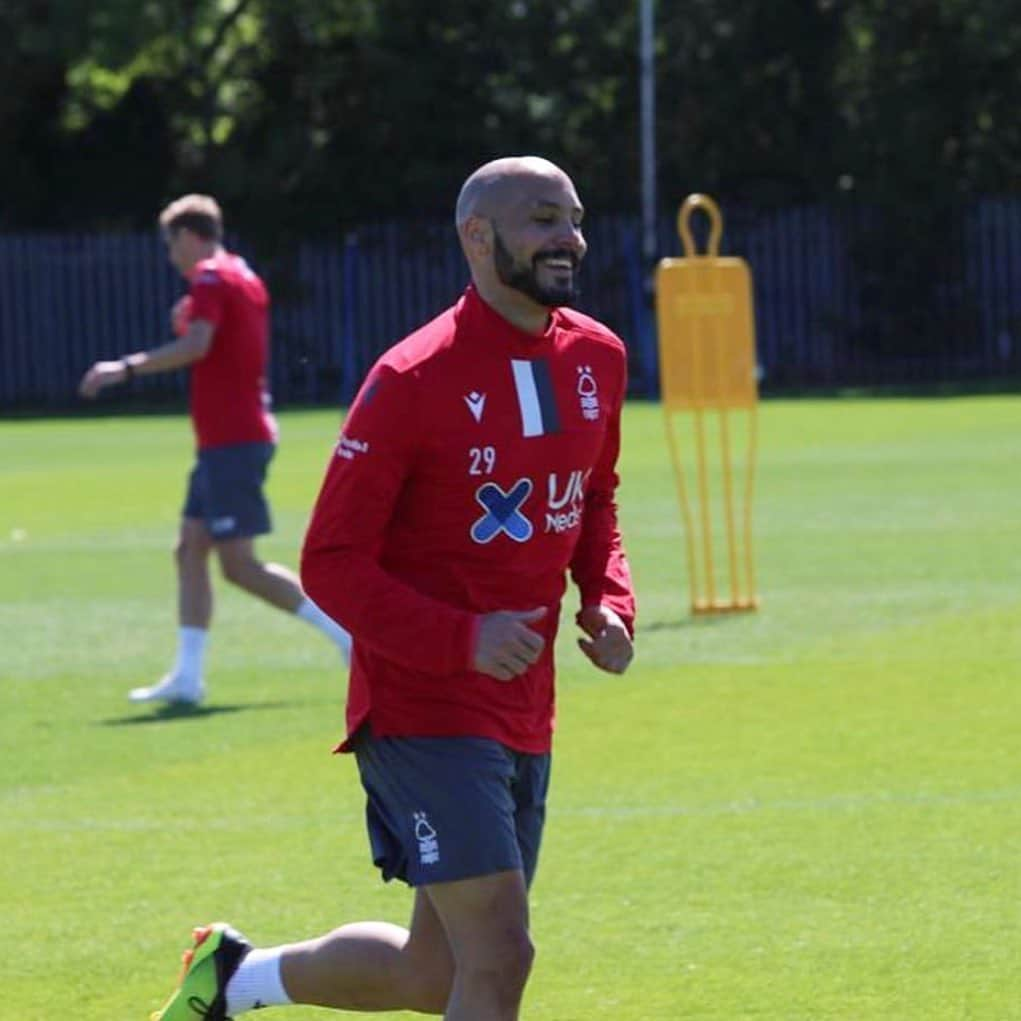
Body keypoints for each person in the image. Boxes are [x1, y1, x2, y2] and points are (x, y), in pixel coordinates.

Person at [146, 157, 636, 1021]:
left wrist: (607, 596)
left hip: (524, 700)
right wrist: (460, 638)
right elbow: (330, 558)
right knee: (501, 953)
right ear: (476, 237)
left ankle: (235, 977)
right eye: (541, 219)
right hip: (421, 705)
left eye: (572, 217)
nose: (568, 238)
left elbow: (594, 499)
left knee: (431, 974)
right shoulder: (411, 378)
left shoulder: (598, 357)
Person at [78, 194, 350, 706]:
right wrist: (189, 323)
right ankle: (187, 676)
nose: (170, 256)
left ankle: (349, 638)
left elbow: (198, 345)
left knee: (239, 564)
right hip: (227, 440)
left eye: (171, 244)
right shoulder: (240, 276)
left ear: (190, 236)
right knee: (189, 550)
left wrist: (126, 367)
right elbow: (219, 339)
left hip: (234, 439)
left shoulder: (210, 278)